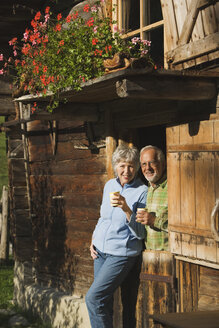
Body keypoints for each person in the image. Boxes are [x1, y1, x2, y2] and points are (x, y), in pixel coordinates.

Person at [86, 145, 147, 328]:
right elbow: (103, 218)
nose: (126, 170)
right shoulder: (109, 186)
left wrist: (127, 209)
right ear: (115, 166)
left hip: (121, 254)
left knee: (93, 299)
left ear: (136, 167)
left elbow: (141, 233)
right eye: (122, 165)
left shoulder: (142, 191)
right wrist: (93, 240)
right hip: (100, 252)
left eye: (131, 166)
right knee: (103, 303)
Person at [136, 145, 168, 251]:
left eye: (152, 162)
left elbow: (185, 226)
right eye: (144, 164)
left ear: (163, 164)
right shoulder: (149, 188)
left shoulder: (173, 187)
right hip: (149, 254)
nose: (147, 168)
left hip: (169, 256)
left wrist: (155, 221)